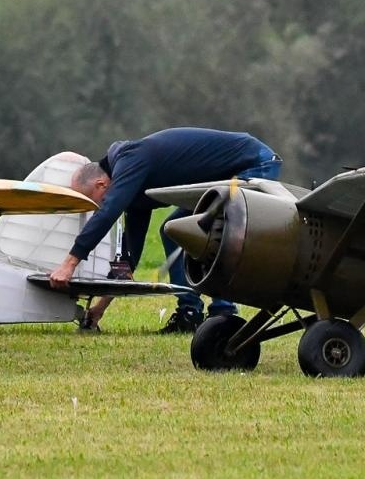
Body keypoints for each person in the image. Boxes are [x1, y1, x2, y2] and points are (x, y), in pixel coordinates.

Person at [48, 127, 283, 333]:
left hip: (254, 164)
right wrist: (99, 308)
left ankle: (223, 313)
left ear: (102, 184)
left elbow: (108, 212)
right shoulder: (135, 185)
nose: (97, 207)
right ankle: (189, 314)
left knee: (215, 234)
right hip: (225, 176)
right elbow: (129, 260)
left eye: (95, 200)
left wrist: (69, 264)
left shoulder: (132, 160)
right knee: (174, 231)